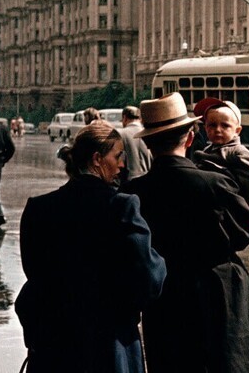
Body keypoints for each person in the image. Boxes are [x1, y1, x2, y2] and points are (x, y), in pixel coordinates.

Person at [121, 93, 249, 373]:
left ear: (148, 143)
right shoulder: (215, 184)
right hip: (219, 294)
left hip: (165, 298)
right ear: (190, 137)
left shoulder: (133, 193)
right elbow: (242, 234)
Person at [15, 122, 166, 372]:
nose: (122, 165)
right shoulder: (122, 207)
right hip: (109, 344)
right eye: (118, 156)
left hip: (54, 344)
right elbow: (149, 278)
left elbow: (35, 274)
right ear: (97, 159)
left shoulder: (38, 208)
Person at [192, 97, 249, 207]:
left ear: (237, 131)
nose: (218, 130)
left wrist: (245, 208)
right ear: (205, 128)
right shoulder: (206, 150)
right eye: (212, 125)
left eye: (225, 125)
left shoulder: (239, 153)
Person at [119, 106, 151, 183]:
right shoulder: (150, 133)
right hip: (149, 181)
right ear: (140, 118)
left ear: (124, 117)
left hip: (129, 182)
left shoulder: (120, 134)